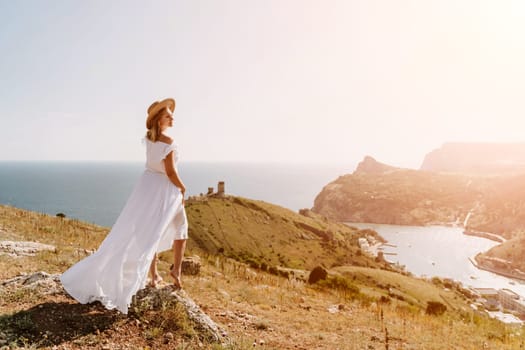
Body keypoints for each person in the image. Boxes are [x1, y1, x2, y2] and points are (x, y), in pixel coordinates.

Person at [60, 98, 188, 314]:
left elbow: (154, 165)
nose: (172, 118)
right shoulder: (168, 141)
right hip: (165, 189)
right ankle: (176, 270)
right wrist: (183, 188)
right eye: (168, 115)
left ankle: (155, 275)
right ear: (158, 120)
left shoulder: (149, 139)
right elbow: (171, 172)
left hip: (146, 186)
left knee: (149, 231)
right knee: (181, 228)